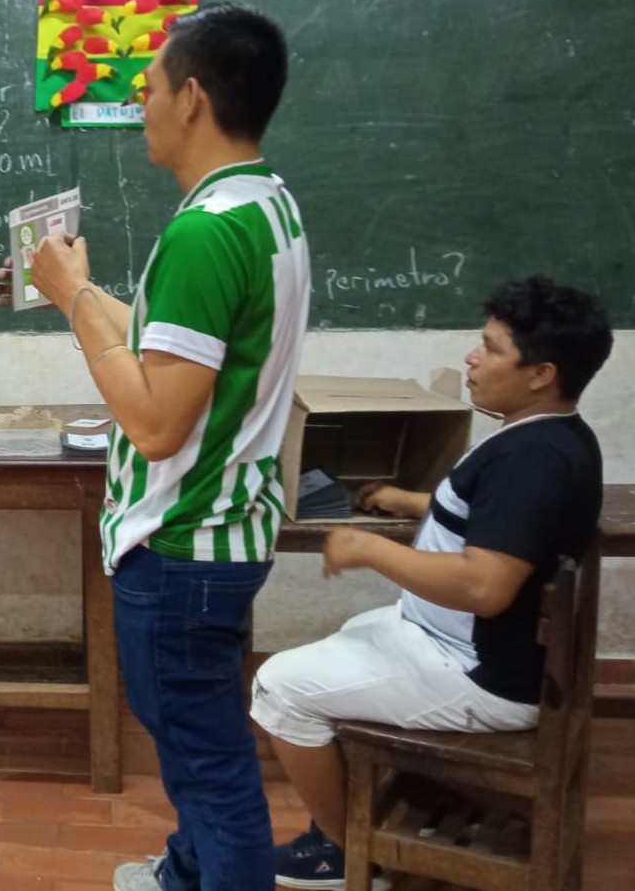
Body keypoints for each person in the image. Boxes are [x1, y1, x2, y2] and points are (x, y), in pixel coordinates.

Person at [0, 2, 310, 891]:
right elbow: (170, 350)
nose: (142, 107)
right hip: (223, 528)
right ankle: (184, 874)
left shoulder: (204, 233)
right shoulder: (263, 207)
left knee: (207, 762)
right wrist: (82, 292)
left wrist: (71, 306)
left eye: (151, 88)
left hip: (180, 541)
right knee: (193, 738)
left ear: (193, 99)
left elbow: (155, 420)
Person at [251, 276, 611, 891]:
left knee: (278, 688)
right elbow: (494, 519)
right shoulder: (544, 434)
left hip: (481, 672)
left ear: (541, 373)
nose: (473, 357)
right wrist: (413, 501)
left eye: (492, 348)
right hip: (473, 646)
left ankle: (351, 855)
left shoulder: (533, 461)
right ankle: (352, 815)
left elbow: (484, 586)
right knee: (351, 633)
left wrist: (368, 548)